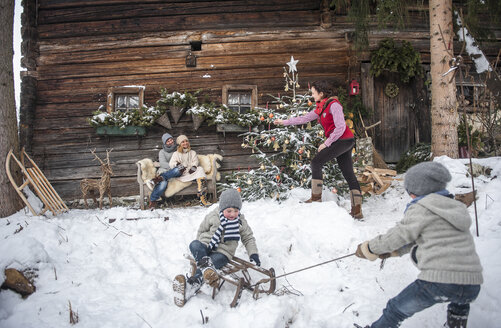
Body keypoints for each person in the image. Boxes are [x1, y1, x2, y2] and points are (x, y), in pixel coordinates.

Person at [354, 161, 483, 328]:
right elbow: (418, 239)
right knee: (458, 304)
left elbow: (398, 236)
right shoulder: (453, 208)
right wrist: (393, 252)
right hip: (472, 283)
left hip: (440, 280)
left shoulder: (423, 208)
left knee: (395, 309)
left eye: (411, 191)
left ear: (419, 190)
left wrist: (369, 248)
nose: (410, 196)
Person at [274, 80, 363, 219]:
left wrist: (326, 143)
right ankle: (357, 211)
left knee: (316, 162)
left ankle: (316, 198)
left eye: (314, 93)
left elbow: (340, 127)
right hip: (341, 141)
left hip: (343, 140)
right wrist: (283, 122)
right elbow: (304, 118)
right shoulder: (321, 108)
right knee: (348, 172)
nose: (312, 96)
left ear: (321, 94)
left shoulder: (334, 105)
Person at [172, 188, 260, 307]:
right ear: (222, 208)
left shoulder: (240, 222)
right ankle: (206, 269)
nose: (233, 214)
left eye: (236, 210)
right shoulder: (213, 216)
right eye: (229, 211)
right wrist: (200, 248)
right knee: (194, 244)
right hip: (206, 246)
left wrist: (253, 254)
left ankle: (191, 284)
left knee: (212, 261)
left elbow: (248, 238)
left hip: (222, 253)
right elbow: (202, 229)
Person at [169, 135, 212, 206]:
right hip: (182, 174)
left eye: (186, 141)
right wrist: (178, 165)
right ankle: (202, 197)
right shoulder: (176, 154)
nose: (185, 143)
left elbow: (195, 161)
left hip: (191, 172)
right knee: (198, 171)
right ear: (179, 144)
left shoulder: (192, 152)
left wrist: (193, 167)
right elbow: (171, 164)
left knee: (200, 169)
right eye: (183, 142)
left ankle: (202, 198)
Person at [148, 133, 182, 209]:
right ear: (165, 143)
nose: (170, 142)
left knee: (178, 169)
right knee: (163, 183)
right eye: (168, 141)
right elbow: (163, 164)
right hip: (164, 171)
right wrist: (173, 166)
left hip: (176, 172)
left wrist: (175, 166)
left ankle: (158, 179)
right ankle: (153, 200)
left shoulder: (178, 149)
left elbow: (180, 161)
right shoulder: (162, 152)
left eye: (171, 140)